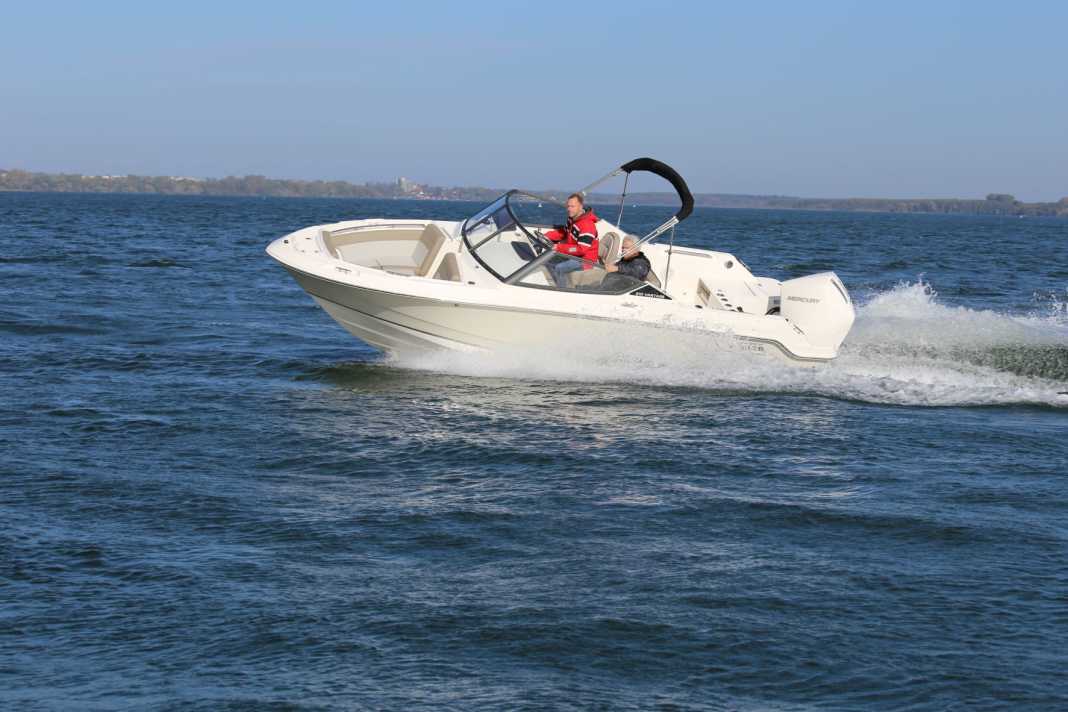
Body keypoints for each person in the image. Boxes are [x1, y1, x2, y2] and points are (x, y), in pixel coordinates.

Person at [544, 193, 599, 286]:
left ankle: (562, 291)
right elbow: (564, 233)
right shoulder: (572, 218)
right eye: (568, 206)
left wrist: (559, 248)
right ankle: (553, 282)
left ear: (580, 207)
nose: (569, 209)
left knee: (559, 268)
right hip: (574, 255)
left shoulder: (587, 226)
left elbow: (581, 249)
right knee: (547, 259)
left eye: (572, 206)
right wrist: (546, 236)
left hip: (586, 260)